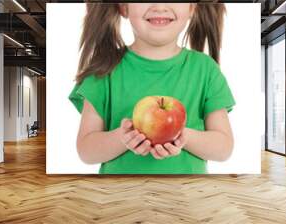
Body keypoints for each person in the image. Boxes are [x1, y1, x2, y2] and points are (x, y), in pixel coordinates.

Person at [69, 3, 236, 174]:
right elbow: (86, 151)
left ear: (192, 7)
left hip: (187, 197)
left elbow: (223, 148)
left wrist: (181, 135)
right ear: (124, 7)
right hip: (119, 197)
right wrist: (123, 137)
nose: (160, 6)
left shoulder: (205, 69)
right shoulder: (103, 69)